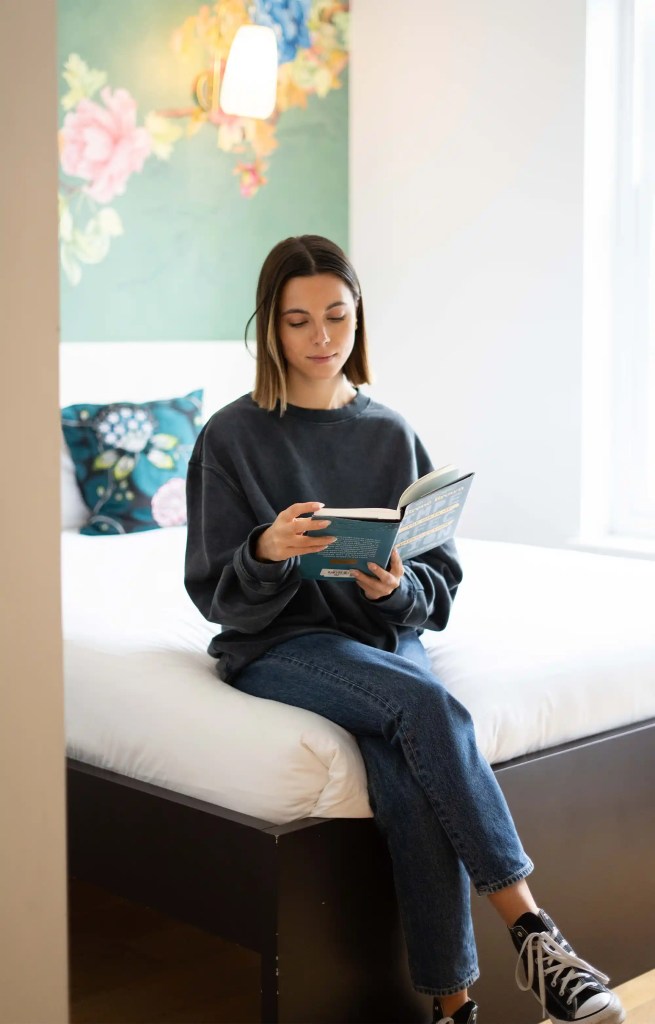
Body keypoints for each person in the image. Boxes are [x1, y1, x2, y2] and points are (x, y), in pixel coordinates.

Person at [184, 235, 625, 1024]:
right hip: (279, 646)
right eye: (297, 321)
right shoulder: (231, 436)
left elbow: (437, 581)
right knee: (430, 711)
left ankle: (453, 1007)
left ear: (358, 318)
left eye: (337, 316)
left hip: (381, 641)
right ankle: (532, 931)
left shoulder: (389, 432)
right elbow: (217, 594)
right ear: (269, 330)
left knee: (403, 761)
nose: (321, 339)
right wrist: (267, 551)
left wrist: (394, 591)